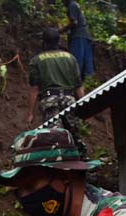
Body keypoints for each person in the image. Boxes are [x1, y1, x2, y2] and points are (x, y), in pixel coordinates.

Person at [27, 27, 86, 157]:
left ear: (44, 42)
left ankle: (59, 166)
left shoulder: (36, 60)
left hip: (49, 101)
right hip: (70, 100)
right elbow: (78, 86)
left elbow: (35, 89)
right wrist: (84, 106)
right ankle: (80, 164)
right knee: (74, 135)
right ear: (59, 41)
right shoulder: (70, 58)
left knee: (55, 137)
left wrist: (30, 113)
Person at [60, 0, 94, 79]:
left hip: (78, 36)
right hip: (85, 36)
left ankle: (74, 83)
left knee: (76, 64)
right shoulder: (76, 5)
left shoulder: (72, 5)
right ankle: (86, 84)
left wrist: (60, 31)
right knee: (86, 66)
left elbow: (73, 22)